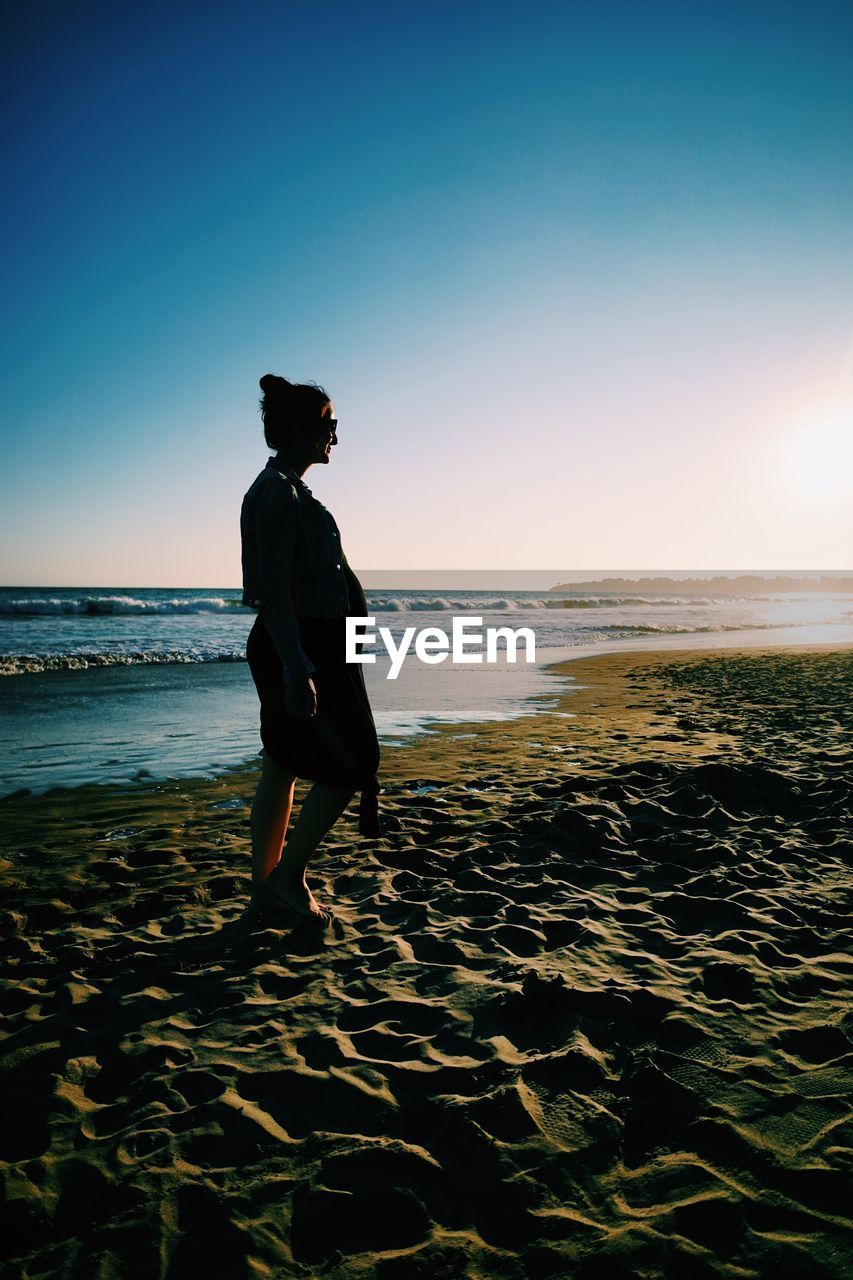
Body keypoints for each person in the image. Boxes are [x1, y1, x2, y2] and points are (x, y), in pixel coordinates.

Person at [241, 374, 381, 925]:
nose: (335, 437)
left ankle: (266, 891)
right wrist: (298, 668)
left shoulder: (292, 490)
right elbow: (271, 592)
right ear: (300, 427)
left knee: (284, 762)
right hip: (297, 647)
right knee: (353, 762)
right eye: (329, 424)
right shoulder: (275, 493)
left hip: (312, 645)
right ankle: (288, 877)